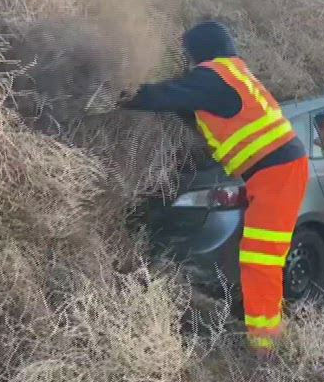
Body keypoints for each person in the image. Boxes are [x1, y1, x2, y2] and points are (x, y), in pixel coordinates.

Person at [120, 21, 308, 357]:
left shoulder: (212, 75)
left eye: (188, 56)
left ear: (199, 53)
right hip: (277, 170)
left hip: (276, 172)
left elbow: (171, 94)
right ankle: (269, 329)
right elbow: (190, 106)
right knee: (260, 256)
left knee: (259, 257)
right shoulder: (232, 73)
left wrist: (131, 95)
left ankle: (266, 347)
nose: (188, 63)